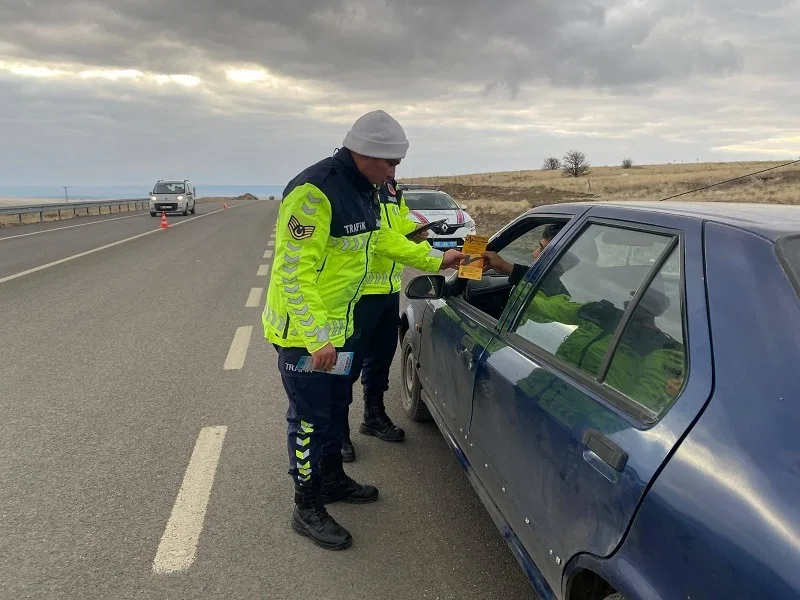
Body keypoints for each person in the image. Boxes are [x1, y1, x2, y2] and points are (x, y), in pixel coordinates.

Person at [262, 109, 464, 551]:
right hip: (305, 336)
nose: (394, 172)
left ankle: (332, 479)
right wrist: (317, 339)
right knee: (310, 420)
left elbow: (381, 241)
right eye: (389, 162)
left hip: (341, 328)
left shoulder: (367, 189)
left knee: (337, 407)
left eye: (397, 163)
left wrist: (435, 259)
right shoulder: (316, 194)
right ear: (362, 153)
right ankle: (306, 505)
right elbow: (291, 275)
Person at [341, 178, 427, 461]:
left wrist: (415, 231)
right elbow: (378, 238)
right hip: (358, 292)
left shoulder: (391, 188)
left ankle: (373, 416)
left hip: (388, 289)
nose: (393, 168)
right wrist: (434, 258)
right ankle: (337, 430)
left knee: (380, 360)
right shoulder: (355, 187)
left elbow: (399, 223)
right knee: (346, 365)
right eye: (388, 161)